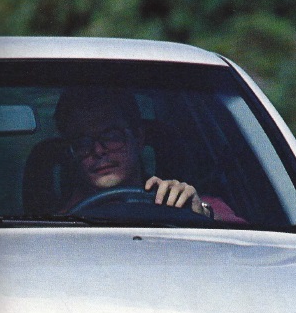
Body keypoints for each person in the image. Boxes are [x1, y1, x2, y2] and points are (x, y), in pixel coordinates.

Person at [53, 87, 242, 221]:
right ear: (72, 153)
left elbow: (244, 243)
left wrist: (202, 213)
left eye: (111, 136)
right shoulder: (55, 223)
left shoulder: (190, 202)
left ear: (138, 138)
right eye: (83, 143)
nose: (98, 150)